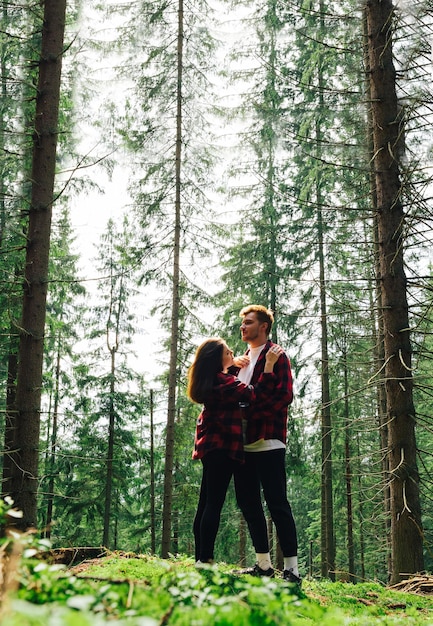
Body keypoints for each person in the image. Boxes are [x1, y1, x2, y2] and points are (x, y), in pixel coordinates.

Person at [187, 336, 283, 566]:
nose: (234, 354)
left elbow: (227, 380)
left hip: (209, 446)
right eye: (229, 352)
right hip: (223, 447)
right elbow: (254, 395)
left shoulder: (210, 379)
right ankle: (205, 559)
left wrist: (231, 365)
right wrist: (268, 367)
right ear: (218, 359)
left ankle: (200, 557)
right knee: (213, 503)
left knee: (205, 502)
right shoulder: (225, 382)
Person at [233, 304, 301, 585]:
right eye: (242, 323)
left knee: (277, 504)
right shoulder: (241, 360)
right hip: (242, 445)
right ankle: (263, 565)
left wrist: (249, 411)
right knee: (248, 503)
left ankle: (292, 571)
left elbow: (283, 397)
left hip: (269, 441)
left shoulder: (277, 356)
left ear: (264, 326)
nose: (243, 327)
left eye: (249, 322)